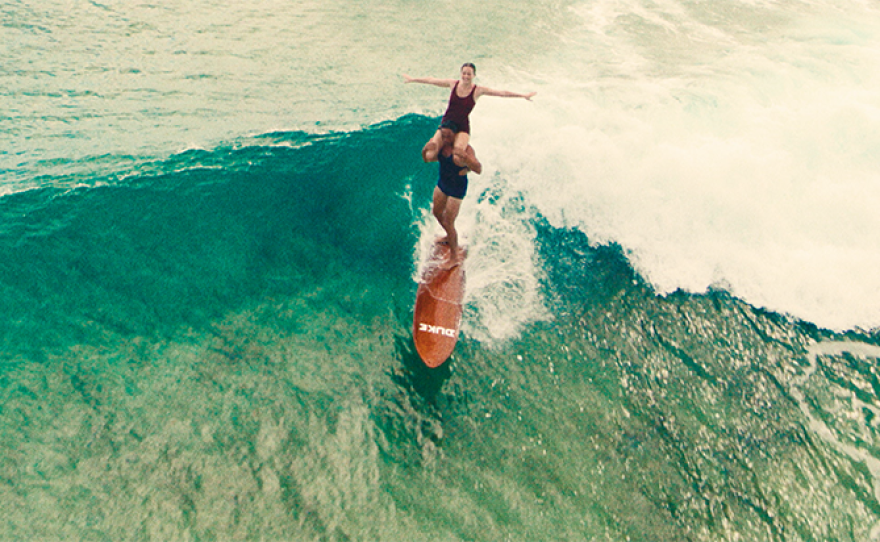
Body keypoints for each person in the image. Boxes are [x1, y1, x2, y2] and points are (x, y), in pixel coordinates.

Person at [404, 63, 535, 166]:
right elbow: (431, 80)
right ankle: (444, 155)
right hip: (446, 124)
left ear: (474, 75)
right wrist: (413, 79)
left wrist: (523, 95)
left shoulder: (478, 90)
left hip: (462, 127)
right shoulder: (453, 84)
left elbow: (502, 93)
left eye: (469, 74)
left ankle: (467, 163)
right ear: (461, 73)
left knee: (457, 157)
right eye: (464, 73)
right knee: (430, 156)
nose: (466, 76)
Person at [422, 120, 482, 269]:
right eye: (444, 135)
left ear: (455, 135)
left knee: (449, 221)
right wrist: (425, 150)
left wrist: (467, 159)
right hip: (443, 183)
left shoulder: (466, 149)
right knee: (436, 212)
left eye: (449, 136)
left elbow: (478, 168)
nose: (446, 139)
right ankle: (449, 235)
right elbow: (427, 159)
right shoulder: (441, 147)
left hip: (457, 188)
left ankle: (455, 257)